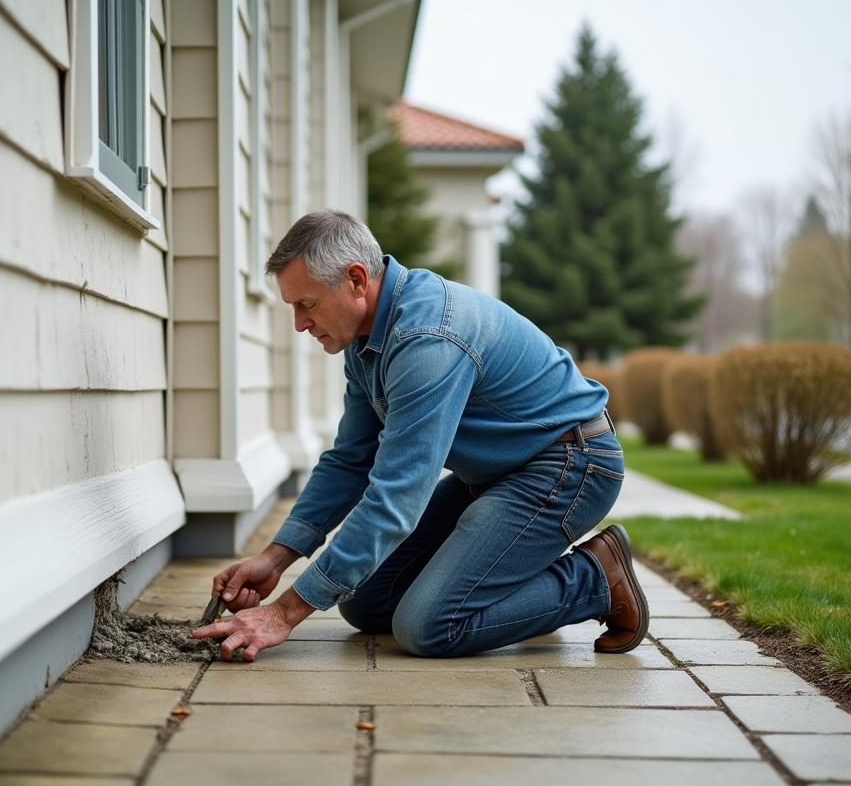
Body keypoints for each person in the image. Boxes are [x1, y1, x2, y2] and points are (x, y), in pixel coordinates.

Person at [191, 210, 646, 661]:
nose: (299, 324)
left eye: (306, 304)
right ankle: (513, 570)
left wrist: (284, 613)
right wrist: (275, 559)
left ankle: (595, 578)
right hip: (501, 474)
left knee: (427, 627)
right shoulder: (366, 341)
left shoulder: (428, 339)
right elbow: (351, 460)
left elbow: (397, 497)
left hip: (570, 465)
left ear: (355, 279)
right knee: (366, 602)